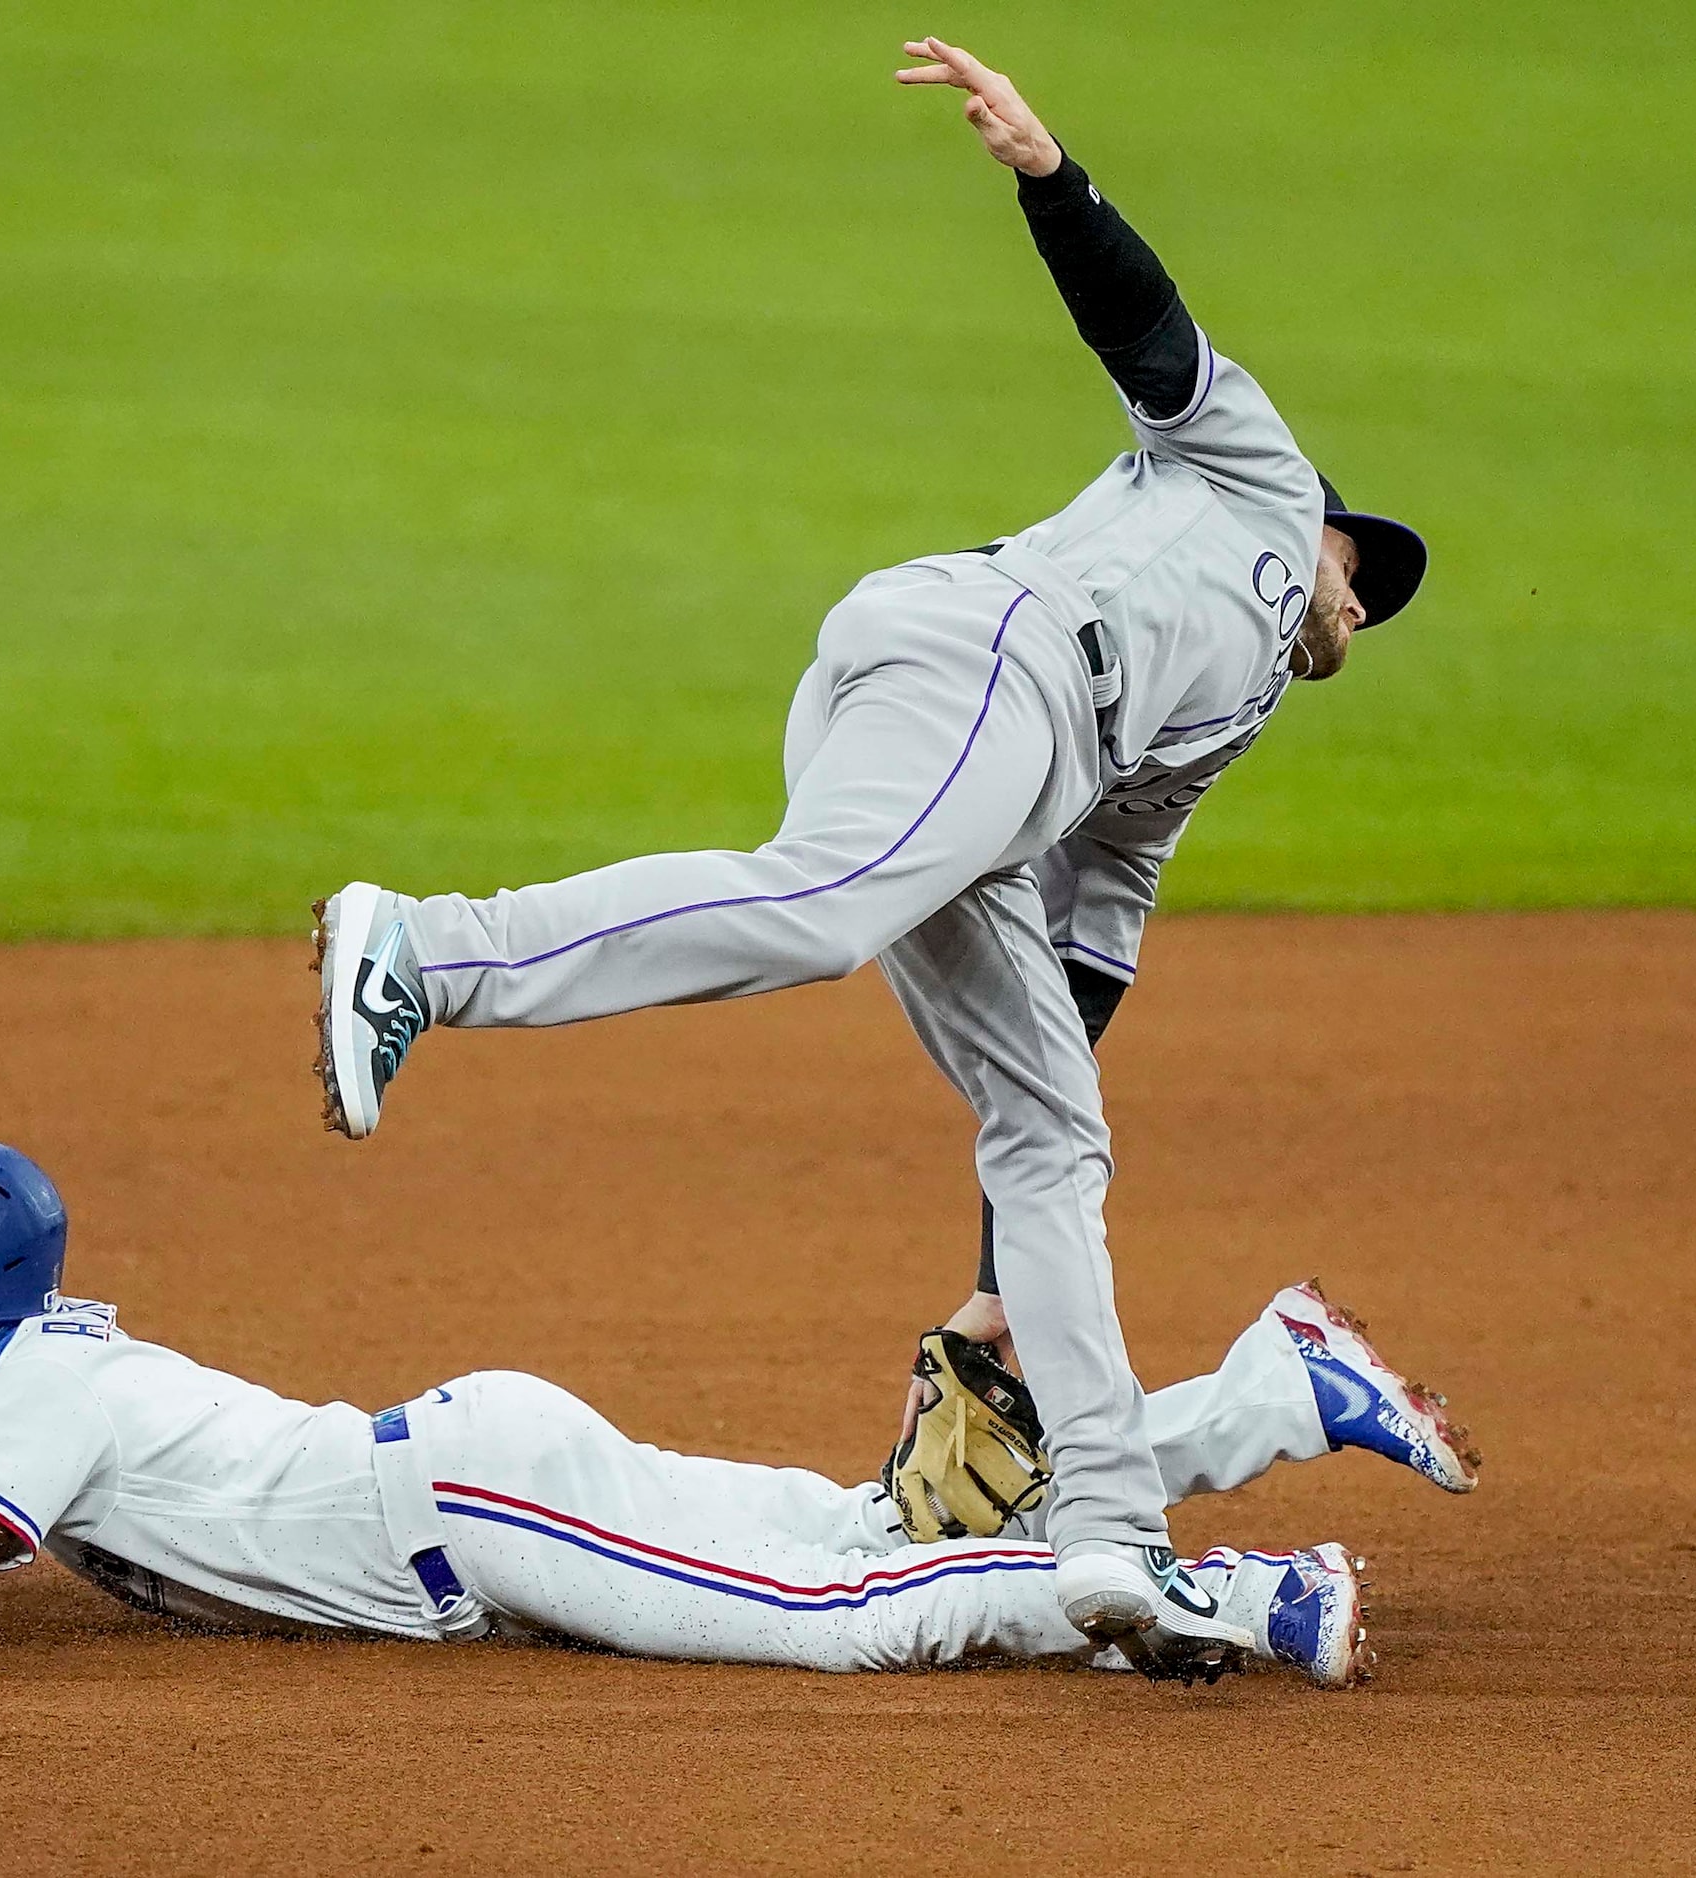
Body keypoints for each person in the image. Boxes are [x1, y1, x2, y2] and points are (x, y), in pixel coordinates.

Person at [305, 38, 1431, 1666]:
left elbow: (1093, 947)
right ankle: (426, 946)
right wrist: (1054, 179)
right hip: (988, 663)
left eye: (1376, 607)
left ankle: (1113, 1539)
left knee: (1054, 1132)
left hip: (999, 757)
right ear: (1321, 521)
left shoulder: (1220, 728)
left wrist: (995, 1256)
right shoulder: (1243, 466)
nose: (1360, 601)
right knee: (826, 910)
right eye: (1362, 569)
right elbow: (1150, 329)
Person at [0, 1136, 1477, 1687]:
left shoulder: (34, 1406)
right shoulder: (3, 1372)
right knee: (876, 1539)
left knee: (854, 1617)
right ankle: (1269, 1391)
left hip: (487, 1508)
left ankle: (1226, 1601)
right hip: (481, 1470)